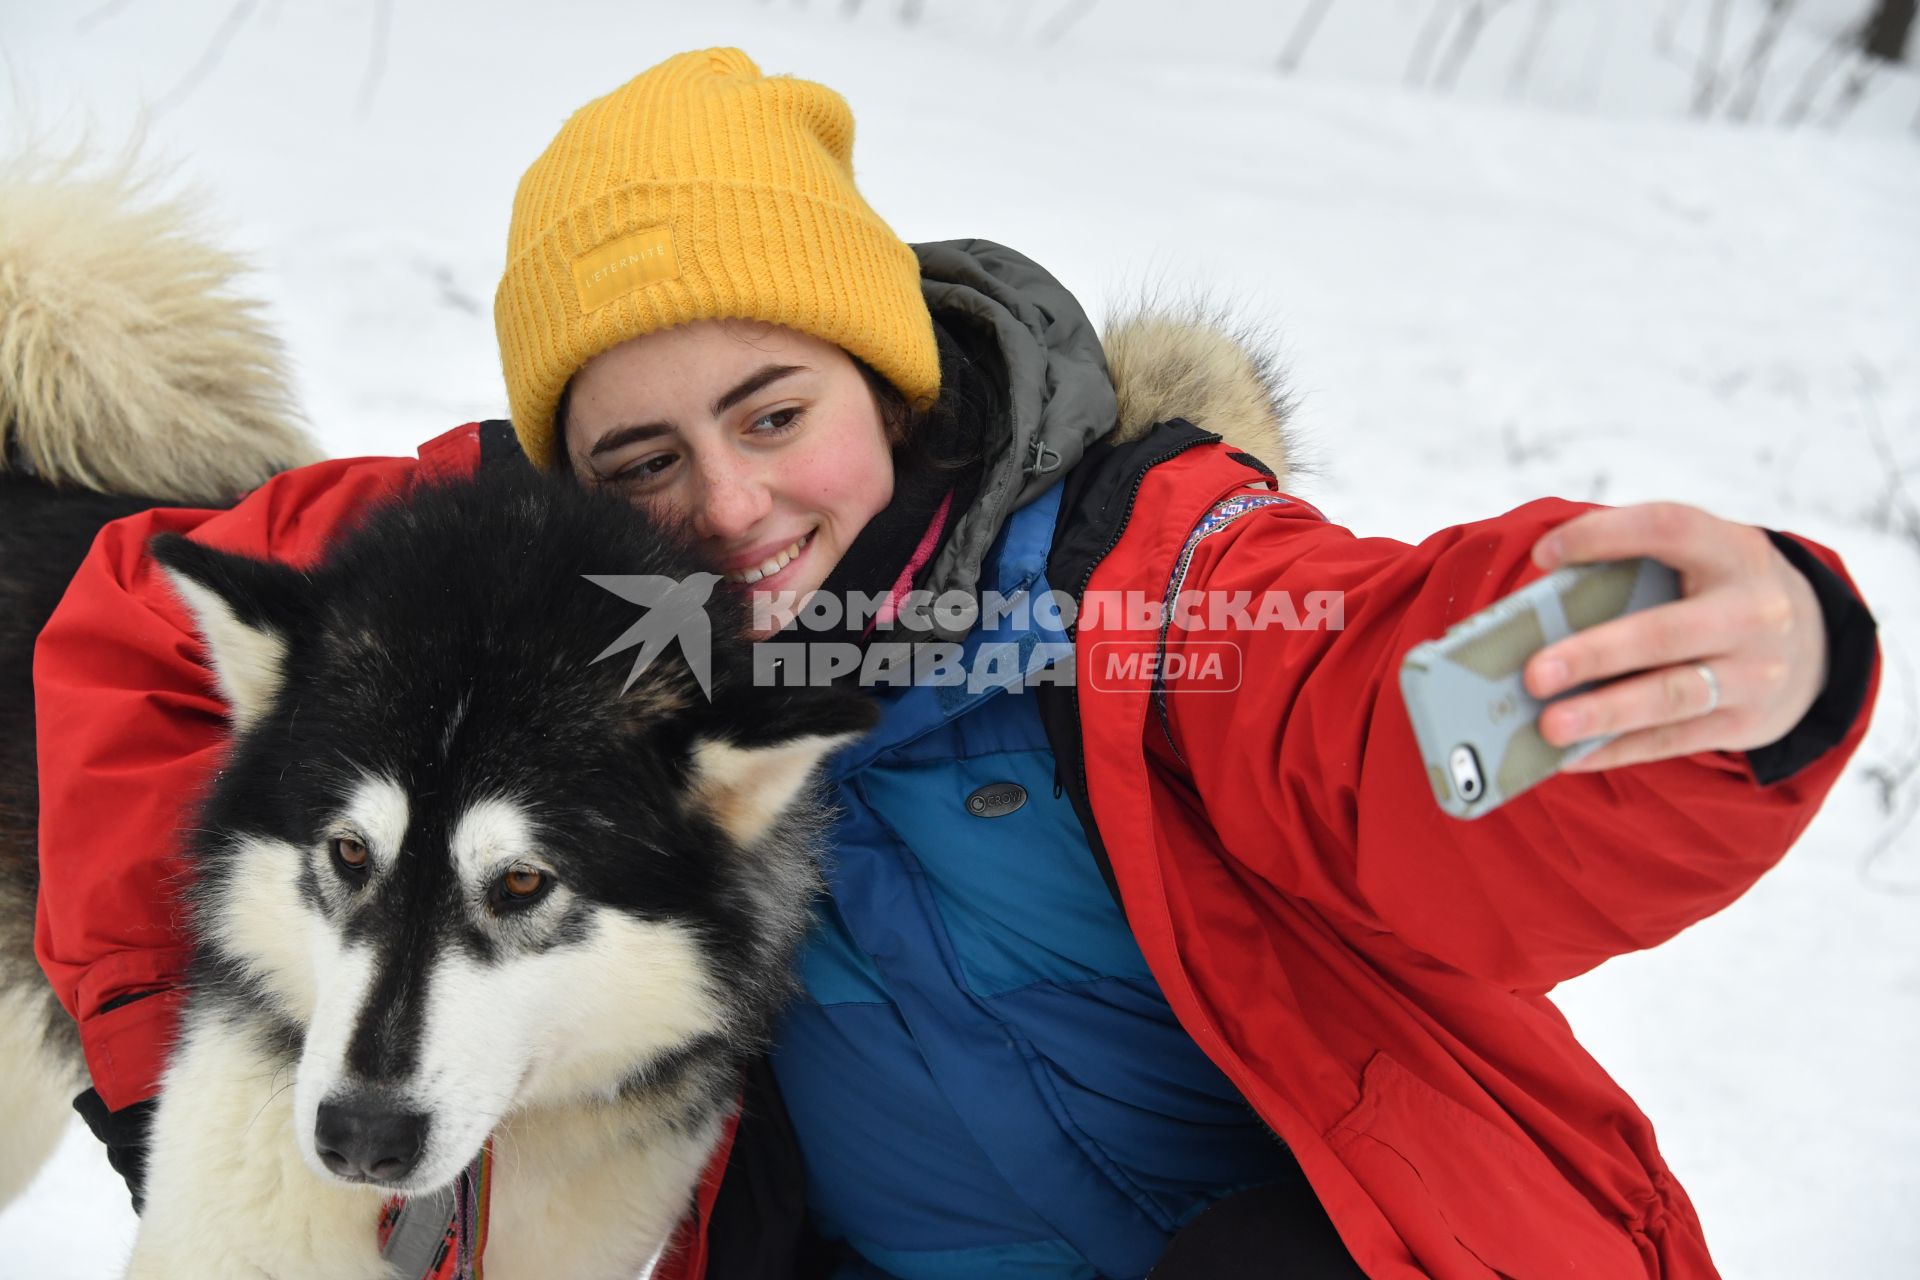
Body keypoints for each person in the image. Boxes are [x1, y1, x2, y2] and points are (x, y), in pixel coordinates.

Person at [34, 47, 1878, 1280]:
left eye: (776, 412)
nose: (731, 508)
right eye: (642, 465)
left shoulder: (1135, 574)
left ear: (889, 381)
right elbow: (132, 616)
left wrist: (1713, 667)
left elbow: (1373, 712)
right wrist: (170, 1082)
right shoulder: (532, 590)